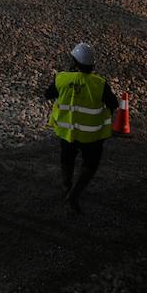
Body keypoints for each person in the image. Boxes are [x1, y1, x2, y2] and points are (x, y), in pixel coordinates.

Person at [44, 42, 118, 212]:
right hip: (92, 135)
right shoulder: (99, 83)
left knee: (67, 158)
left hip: (68, 131)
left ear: (75, 62)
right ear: (92, 65)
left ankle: (67, 186)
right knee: (90, 164)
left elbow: (48, 94)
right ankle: (75, 194)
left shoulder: (62, 78)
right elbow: (113, 103)